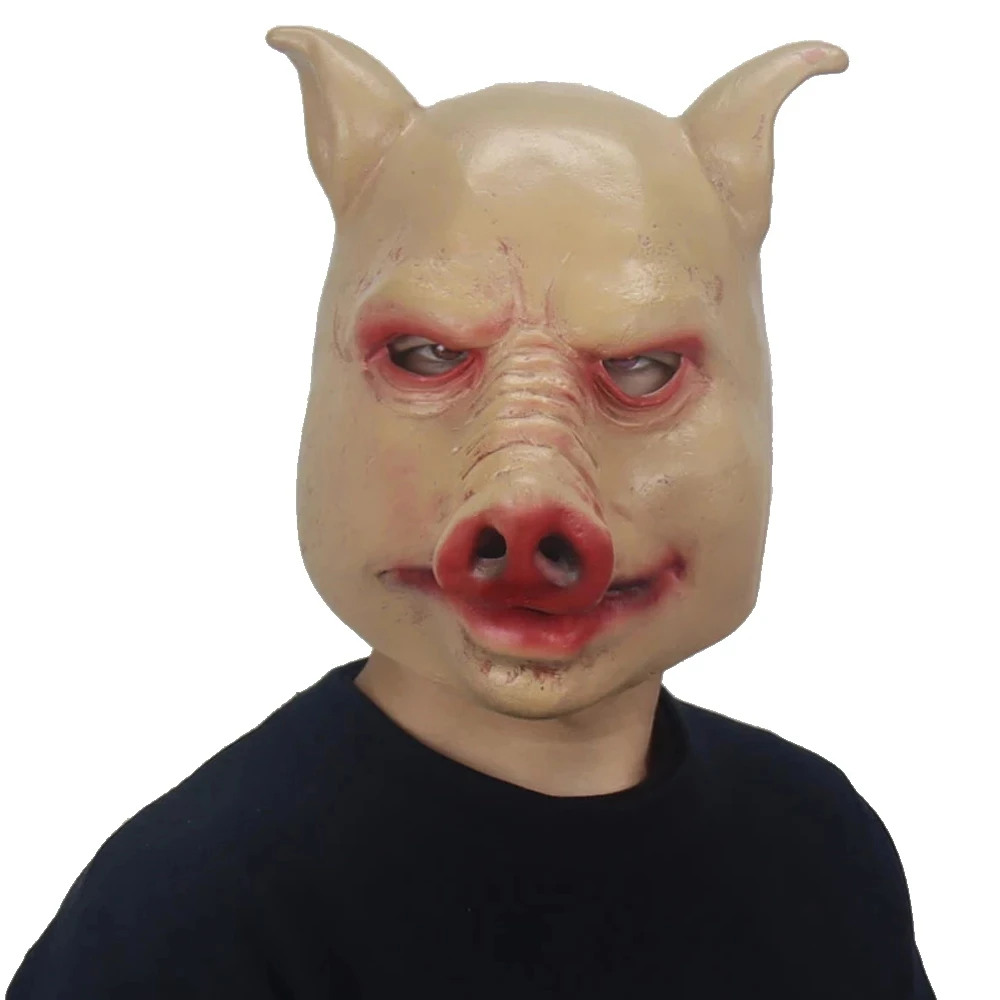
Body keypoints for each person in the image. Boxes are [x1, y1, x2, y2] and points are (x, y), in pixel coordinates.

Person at [6, 26, 935, 999]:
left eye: (641, 370)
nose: (526, 500)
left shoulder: (817, 844)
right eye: (428, 359)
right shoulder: (194, 917)